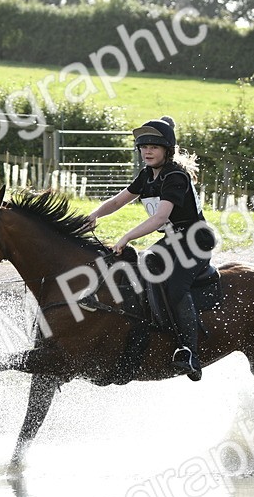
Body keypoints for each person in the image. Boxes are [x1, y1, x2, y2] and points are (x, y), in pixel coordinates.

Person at [83, 116, 214, 381]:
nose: (147, 151)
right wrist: (94, 214)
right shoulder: (146, 175)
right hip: (173, 241)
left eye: (154, 146)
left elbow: (160, 218)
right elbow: (119, 201)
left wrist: (126, 237)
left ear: (168, 149)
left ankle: (189, 351)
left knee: (176, 286)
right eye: (143, 146)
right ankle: (153, 327)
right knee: (144, 265)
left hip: (195, 241)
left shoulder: (176, 176)